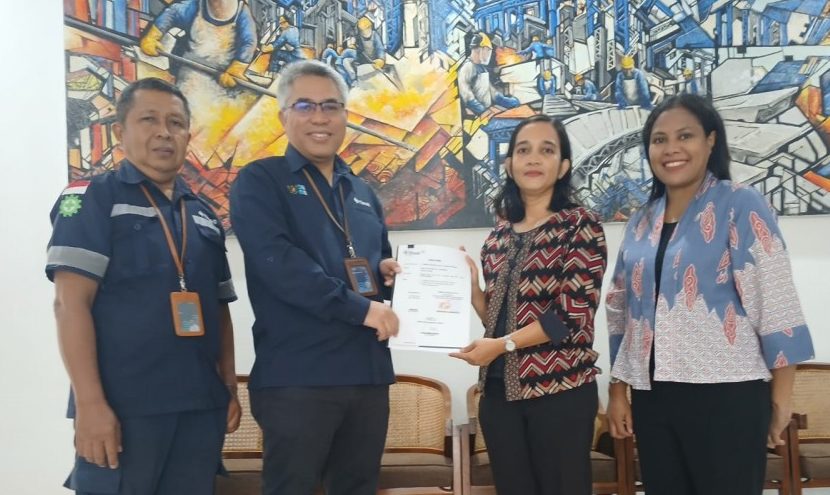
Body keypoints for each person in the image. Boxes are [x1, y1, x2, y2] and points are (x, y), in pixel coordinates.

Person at [606, 94, 815, 495]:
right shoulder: (640, 221)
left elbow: (775, 302)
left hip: (728, 394)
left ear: (711, 140)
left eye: (685, 136)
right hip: (653, 397)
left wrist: (781, 399)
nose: (671, 149)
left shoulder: (740, 203)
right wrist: (618, 390)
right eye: (659, 139)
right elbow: (620, 310)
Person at [47, 78, 241, 494]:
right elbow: (69, 304)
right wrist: (90, 404)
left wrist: (228, 386)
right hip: (123, 408)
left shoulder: (204, 214)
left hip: (199, 406)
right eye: (149, 120)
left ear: (188, 134)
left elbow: (219, 309)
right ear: (121, 131)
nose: (164, 133)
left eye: (176, 122)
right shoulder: (93, 198)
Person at [229, 60, 401, 495]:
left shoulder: (362, 192)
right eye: (304, 105)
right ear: (283, 115)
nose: (319, 117)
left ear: (345, 115)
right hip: (298, 377)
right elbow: (279, 264)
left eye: (331, 106)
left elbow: (376, 264)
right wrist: (361, 309)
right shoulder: (260, 181)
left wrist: (390, 275)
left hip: (367, 374)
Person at [451, 114, 608, 495]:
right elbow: (497, 321)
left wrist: (501, 346)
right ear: (509, 164)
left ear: (563, 166)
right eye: (523, 150)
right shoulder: (497, 237)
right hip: (498, 395)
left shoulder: (580, 225)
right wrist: (472, 290)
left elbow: (569, 318)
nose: (533, 159)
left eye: (546, 150)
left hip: (560, 392)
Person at [139, 0, 257, 89]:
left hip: (221, 78)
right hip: (189, 73)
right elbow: (172, 13)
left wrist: (237, 67)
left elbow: (249, 41)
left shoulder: (242, 13)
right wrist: (152, 36)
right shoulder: (195, 5)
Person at [458, 33, 520, 116]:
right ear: (479, 49)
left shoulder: (482, 68)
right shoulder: (468, 67)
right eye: (487, 50)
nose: (488, 54)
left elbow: (490, 90)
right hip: (476, 115)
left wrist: (502, 100)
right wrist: (481, 110)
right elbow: (466, 94)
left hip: (487, 110)